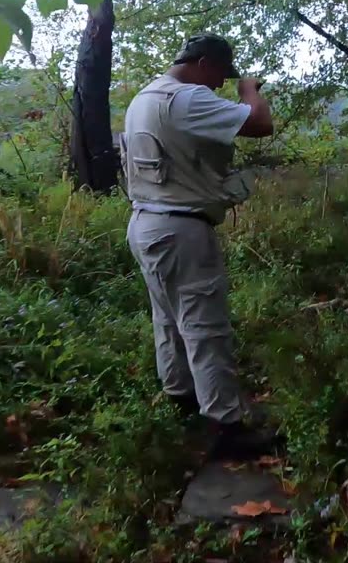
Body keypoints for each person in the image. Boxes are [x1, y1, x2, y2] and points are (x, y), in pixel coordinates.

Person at [122, 33, 277, 460]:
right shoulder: (186, 98)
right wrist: (249, 91)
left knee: (169, 320)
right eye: (219, 77)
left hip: (147, 223)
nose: (218, 86)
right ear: (204, 62)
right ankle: (227, 429)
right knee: (206, 328)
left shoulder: (144, 99)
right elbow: (260, 124)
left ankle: (182, 400)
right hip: (181, 228)